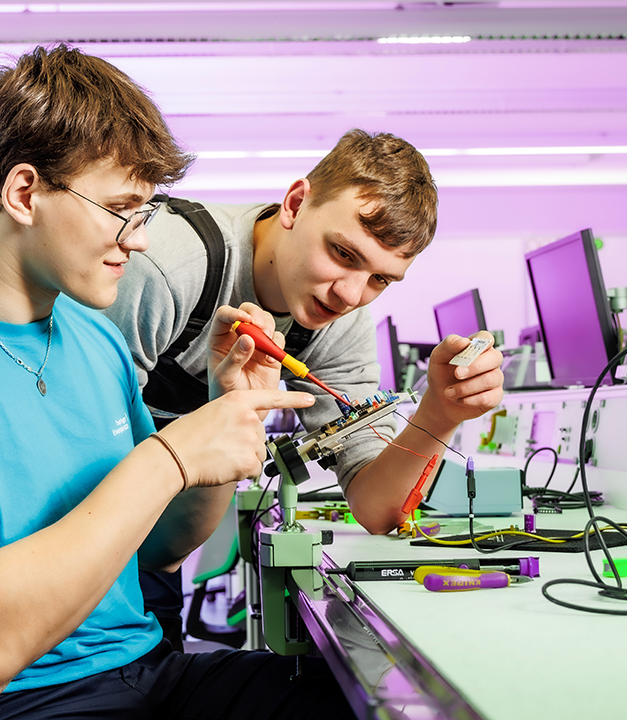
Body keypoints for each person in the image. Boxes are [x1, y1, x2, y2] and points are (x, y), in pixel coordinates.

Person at [0, 44, 354, 719]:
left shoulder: (91, 339)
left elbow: (161, 546)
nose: (139, 239)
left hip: (135, 672)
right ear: (23, 193)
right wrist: (168, 457)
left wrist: (227, 416)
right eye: (122, 209)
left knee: (364, 700)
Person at [102, 129, 506, 648]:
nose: (350, 294)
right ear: (295, 204)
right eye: (342, 253)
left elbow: (378, 509)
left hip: (154, 538)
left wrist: (439, 413)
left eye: (381, 280)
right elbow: (72, 459)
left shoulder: (339, 326)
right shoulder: (167, 267)